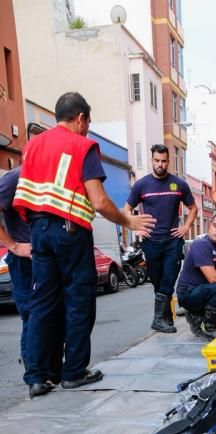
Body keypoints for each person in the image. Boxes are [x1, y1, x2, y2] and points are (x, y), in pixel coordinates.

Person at [13, 91, 154, 398]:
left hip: (38, 231)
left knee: (42, 304)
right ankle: (73, 372)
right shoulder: (83, 145)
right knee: (79, 301)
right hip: (70, 231)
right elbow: (100, 202)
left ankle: (38, 377)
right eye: (87, 123)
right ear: (80, 118)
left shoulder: (32, 145)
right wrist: (128, 221)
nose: (87, 129)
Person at [123, 144, 198, 334]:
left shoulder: (179, 184)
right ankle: (165, 318)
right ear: (152, 160)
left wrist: (186, 227)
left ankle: (158, 319)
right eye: (157, 161)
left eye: (164, 161)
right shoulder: (141, 185)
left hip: (173, 241)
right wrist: (136, 227)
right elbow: (126, 210)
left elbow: (193, 208)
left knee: (169, 279)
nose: (160, 164)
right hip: (151, 241)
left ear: (168, 161)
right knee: (157, 282)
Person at [0, 168, 64, 385]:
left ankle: (52, 372)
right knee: (32, 315)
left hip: (46, 257)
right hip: (24, 261)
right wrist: (13, 245)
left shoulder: (48, 177)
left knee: (53, 315)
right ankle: (36, 377)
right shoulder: (14, 178)